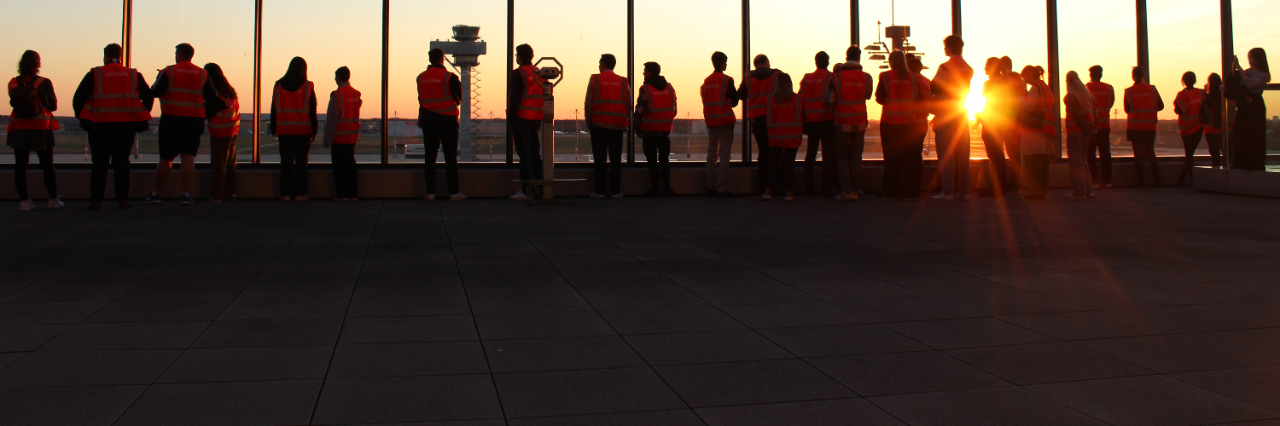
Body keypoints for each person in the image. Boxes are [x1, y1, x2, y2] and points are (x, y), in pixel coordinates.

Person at [74, 44, 153, 210]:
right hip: (126, 126)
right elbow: (148, 97)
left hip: (99, 126)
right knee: (122, 163)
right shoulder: (133, 75)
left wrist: (86, 121)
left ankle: (96, 201)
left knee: (99, 164)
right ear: (121, 56)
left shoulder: (95, 74)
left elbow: (78, 99)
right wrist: (137, 115)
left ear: (105, 56)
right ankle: (123, 200)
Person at [143, 43, 225, 205]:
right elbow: (211, 97)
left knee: (166, 158)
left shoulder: (169, 71)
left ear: (179, 54)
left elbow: (155, 92)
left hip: (171, 119)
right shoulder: (203, 74)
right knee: (188, 157)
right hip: (194, 121)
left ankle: (156, 193)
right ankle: (185, 194)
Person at [7, 50, 61, 211]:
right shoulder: (43, 82)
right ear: (37, 64)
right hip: (40, 128)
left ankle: (24, 201)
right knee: (47, 166)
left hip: (19, 127)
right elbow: (53, 106)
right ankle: (52, 199)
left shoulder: (13, 82)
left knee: (20, 166)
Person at [931, 35, 974, 201]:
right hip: (962, 113)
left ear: (949, 48)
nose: (944, 49)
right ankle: (965, 192)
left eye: (945, 47)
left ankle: (948, 191)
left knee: (946, 154)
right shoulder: (968, 68)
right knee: (963, 155)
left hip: (946, 113)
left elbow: (934, 86)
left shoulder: (945, 67)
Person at [418, 48, 465, 201]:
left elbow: (421, 97)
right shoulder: (450, 77)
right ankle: (454, 192)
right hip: (448, 122)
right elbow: (459, 98)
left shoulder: (421, 77)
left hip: (428, 121)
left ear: (429, 59)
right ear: (442, 59)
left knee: (430, 158)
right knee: (450, 159)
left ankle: (430, 192)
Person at [877, 51, 924, 201]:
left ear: (891, 61)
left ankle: (890, 192)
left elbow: (879, 98)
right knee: (908, 160)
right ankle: (908, 191)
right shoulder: (914, 77)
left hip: (889, 123)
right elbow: (919, 99)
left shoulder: (885, 76)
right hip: (908, 123)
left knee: (890, 159)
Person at [829, 46, 874, 201]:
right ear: (859, 58)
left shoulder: (836, 78)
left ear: (846, 57)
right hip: (860, 122)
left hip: (842, 122)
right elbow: (867, 96)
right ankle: (855, 189)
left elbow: (829, 100)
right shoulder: (867, 77)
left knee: (841, 157)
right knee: (856, 156)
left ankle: (846, 190)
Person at [270, 57, 318, 201]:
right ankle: (301, 193)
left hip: (284, 131)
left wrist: (274, 129)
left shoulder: (278, 85)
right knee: (301, 163)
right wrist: (314, 130)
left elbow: (274, 109)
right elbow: (312, 111)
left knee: (286, 163)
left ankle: (285, 193)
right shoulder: (308, 86)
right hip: (303, 131)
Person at [585, 53, 630, 199]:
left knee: (600, 159)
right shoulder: (624, 82)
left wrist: (588, 121)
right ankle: (616, 190)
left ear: (603, 64)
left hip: (599, 125)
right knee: (616, 159)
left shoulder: (595, 79)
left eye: (599, 63)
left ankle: (600, 190)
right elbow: (629, 104)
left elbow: (588, 104)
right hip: (617, 125)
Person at [509, 44, 546, 200]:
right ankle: (541, 188)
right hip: (536, 118)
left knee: (524, 156)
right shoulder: (540, 73)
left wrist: (511, 117)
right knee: (535, 154)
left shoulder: (519, 74)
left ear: (519, 56)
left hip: (522, 118)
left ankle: (526, 190)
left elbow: (516, 97)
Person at [739, 55, 780, 194]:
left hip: (756, 119)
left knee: (763, 152)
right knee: (775, 152)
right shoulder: (777, 75)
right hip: (773, 118)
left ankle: (762, 186)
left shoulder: (748, 77)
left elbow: (741, 95)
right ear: (767, 62)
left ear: (756, 64)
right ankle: (774, 186)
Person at [700, 51, 738, 197]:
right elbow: (734, 101)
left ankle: (710, 186)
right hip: (725, 121)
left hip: (711, 121)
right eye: (726, 62)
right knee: (724, 155)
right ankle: (722, 188)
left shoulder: (706, 82)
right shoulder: (727, 80)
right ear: (722, 63)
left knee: (711, 155)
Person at [636, 61, 677, 197]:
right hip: (665, 132)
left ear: (649, 73)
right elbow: (674, 110)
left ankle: (655, 188)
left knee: (652, 162)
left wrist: (637, 127)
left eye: (644, 71)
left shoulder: (646, 89)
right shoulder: (670, 88)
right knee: (664, 160)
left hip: (649, 132)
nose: (643, 74)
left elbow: (640, 111)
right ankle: (666, 188)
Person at [1227, 48, 1270, 171]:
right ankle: (1240, 161)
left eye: (1251, 57)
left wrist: (1239, 70)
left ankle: (1255, 162)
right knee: (1240, 133)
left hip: (1255, 105)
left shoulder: (1263, 74)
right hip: (1244, 105)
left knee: (1255, 134)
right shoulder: (1247, 72)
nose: (1250, 60)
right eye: (1249, 57)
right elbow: (1236, 84)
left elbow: (1250, 85)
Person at [800, 52, 836, 195]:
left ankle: (808, 187)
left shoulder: (806, 78)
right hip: (826, 120)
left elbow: (800, 97)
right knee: (828, 156)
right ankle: (826, 187)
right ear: (827, 62)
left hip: (810, 121)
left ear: (816, 62)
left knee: (810, 155)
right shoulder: (831, 77)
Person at [764, 73, 803, 202]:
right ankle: (789, 193)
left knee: (773, 164)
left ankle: (768, 191)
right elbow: (804, 117)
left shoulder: (770, 100)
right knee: (789, 165)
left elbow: (766, 118)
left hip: (775, 137)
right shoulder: (798, 99)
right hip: (793, 137)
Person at [324, 66, 362, 201]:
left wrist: (327, 140)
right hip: (352, 137)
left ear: (338, 78)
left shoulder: (337, 95)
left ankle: (342, 194)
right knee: (351, 165)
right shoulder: (356, 94)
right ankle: (353, 194)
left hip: (339, 138)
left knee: (339, 168)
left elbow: (331, 120)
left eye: (335, 77)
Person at [204, 63, 240, 202]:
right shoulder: (230, 92)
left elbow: (208, 112)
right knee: (230, 163)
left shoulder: (216, 94)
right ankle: (231, 192)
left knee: (219, 165)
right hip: (233, 131)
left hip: (220, 132)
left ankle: (217, 195)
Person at [1019, 65, 1055, 200]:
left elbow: (1030, 106)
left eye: (1024, 77)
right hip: (1045, 129)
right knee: (1042, 162)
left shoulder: (1035, 88)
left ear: (1029, 74)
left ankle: (1034, 191)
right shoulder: (1045, 87)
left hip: (1033, 129)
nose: (1024, 80)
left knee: (1032, 161)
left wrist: (1020, 102)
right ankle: (1042, 190)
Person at [1124, 66, 1164, 186]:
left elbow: (1127, 109)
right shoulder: (1152, 89)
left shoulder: (1129, 91)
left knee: (1138, 153)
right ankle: (1157, 178)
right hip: (1149, 126)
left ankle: (1141, 180)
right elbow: (1161, 106)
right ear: (1143, 75)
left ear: (1133, 76)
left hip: (1135, 126)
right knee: (1150, 152)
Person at [977, 57, 1010, 195]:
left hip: (991, 122)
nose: (984, 68)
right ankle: (1001, 186)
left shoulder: (990, 83)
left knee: (994, 156)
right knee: (999, 154)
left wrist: (980, 117)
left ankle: (996, 188)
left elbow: (988, 103)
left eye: (986, 65)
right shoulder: (1005, 82)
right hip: (1002, 123)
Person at [1063, 71, 1097, 199]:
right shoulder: (1088, 96)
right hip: (1086, 131)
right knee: (1084, 161)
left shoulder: (1071, 96)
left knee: (1076, 162)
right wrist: (1091, 130)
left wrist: (1086, 130)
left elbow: (1076, 115)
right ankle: (1089, 190)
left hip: (1075, 131)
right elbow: (1094, 114)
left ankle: (1080, 191)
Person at [1174, 71, 1206, 187]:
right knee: (1189, 154)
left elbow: (1178, 110)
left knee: (1189, 154)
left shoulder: (1180, 96)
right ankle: (1182, 180)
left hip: (1186, 128)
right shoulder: (1201, 93)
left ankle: (1190, 180)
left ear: (1183, 81)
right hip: (1198, 126)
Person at [1085, 65, 1116, 188]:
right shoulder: (1109, 88)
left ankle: (1094, 181)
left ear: (1090, 75)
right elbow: (1110, 104)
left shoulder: (1086, 88)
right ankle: (1107, 181)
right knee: (1105, 154)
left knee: (1090, 154)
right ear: (1101, 74)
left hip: (1091, 126)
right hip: (1104, 125)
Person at [906, 55, 932, 201]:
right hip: (922, 123)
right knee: (917, 156)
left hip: (911, 123)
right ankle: (917, 186)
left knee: (909, 157)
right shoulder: (927, 82)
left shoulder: (912, 81)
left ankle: (910, 188)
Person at [1000, 56, 1025, 191]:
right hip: (1020, 119)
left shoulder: (1006, 80)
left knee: (1012, 152)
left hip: (1010, 120)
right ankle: (1018, 180)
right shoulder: (1019, 79)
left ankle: (1015, 182)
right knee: (1016, 152)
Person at [1203, 73, 1226, 168]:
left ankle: (1217, 174)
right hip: (1225, 128)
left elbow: (1204, 108)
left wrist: (1204, 91)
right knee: (1227, 154)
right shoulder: (1224, 95)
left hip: (1211, 129)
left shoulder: (1208, 96)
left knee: (1215, 155)